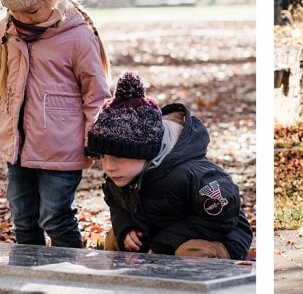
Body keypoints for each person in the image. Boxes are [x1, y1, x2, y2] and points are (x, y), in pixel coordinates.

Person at [0, 0, 111, 248]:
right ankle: (28, 275)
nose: (25, 18)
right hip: (17, 144)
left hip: (61, 146)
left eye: (33, 10)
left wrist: (98, 138)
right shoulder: (5, 31)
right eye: (16, 11)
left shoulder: (77, 36)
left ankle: (69, 274)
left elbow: (96, 92)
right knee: (23, 217)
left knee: (55, 215)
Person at [86, 71, 253, 259]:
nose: (109, 167)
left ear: (145, 153)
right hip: (159, 235)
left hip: (219, 236)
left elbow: (223, 214)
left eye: (119, 158)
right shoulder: (121, 175)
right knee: (115, 237)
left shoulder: (192, 173)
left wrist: (164, 244)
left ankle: (199, 281)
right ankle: (132, 282)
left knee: (188, 254)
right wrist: (126, 228)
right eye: (103, 157)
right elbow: (116, 204)